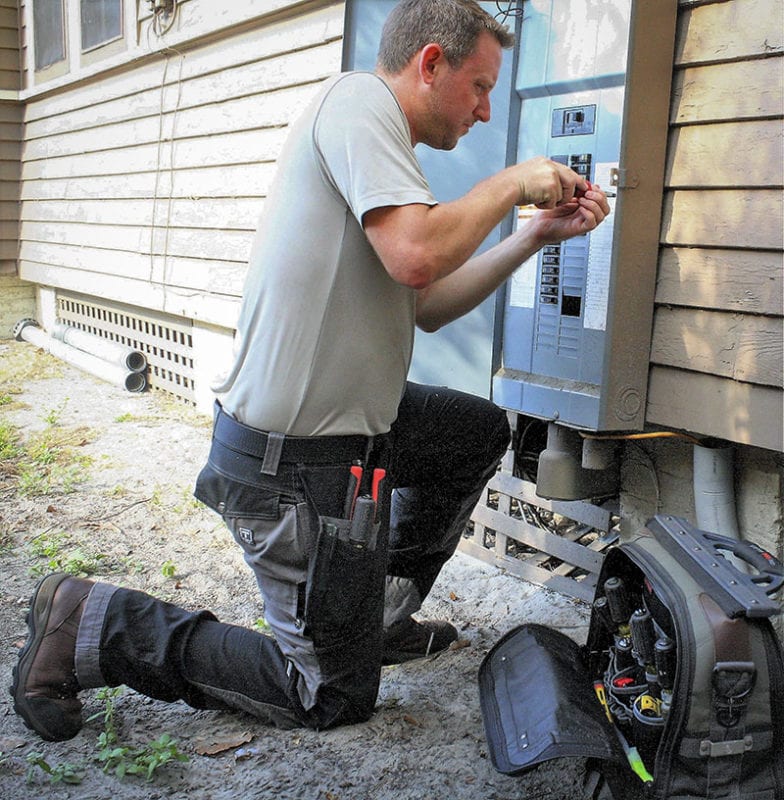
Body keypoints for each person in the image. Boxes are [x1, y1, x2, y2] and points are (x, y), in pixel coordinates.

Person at [11, 0, 610, 740]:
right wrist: (514, 182)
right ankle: (92, 622)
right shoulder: (357, 103)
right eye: (481, 86)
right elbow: (417, 254)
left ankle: (375, 614)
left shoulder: (384, 149)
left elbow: (426, 302)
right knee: (327, 696)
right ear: (430, 63)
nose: (486, 110)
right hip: (290, 465)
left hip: (353, 432)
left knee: (472, 431)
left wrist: (535, 235)